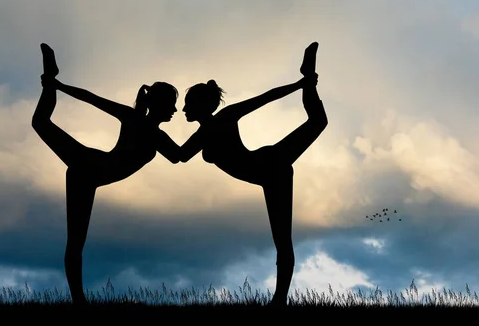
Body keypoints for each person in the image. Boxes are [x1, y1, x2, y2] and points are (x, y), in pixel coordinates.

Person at [31, 43, 182, 306]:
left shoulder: (153, 133)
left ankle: (50, 77)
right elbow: (91, 98)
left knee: (41, 122)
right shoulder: (144, 126)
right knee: (75, 242)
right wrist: (60, 87)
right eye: (172, 105)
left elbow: (179, 156)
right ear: (159, 104)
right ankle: (79, 301)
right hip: (88, 169)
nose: (175, 111)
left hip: (89, 164)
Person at [179, 42, 328, 307]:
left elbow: (267, 97)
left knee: (283, 239)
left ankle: (279, 300)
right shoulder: (203, 134)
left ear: (201, 105)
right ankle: (309, 78)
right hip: (267, 162)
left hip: (271, 169)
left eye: (187, 104)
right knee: (317, 122)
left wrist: (297, 85)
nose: (183, 110)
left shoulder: (222, 119)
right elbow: (178, 155)